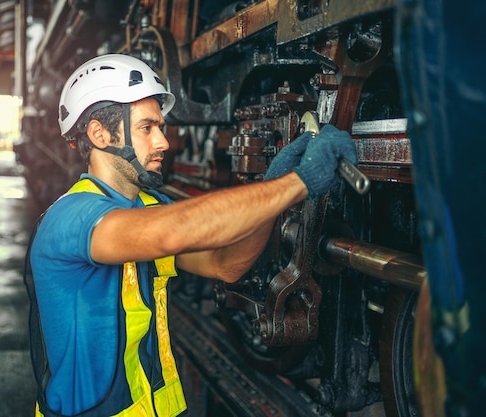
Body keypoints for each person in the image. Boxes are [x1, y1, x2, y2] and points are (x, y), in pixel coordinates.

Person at [24, 53, 357, 417]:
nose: (163, 142)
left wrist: (274, 192)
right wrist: (297, 184)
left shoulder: (146, 207)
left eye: (160, 128)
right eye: (147, 128)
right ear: (100, 134)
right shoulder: (71, 218)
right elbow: (173, 230)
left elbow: (225, 264)